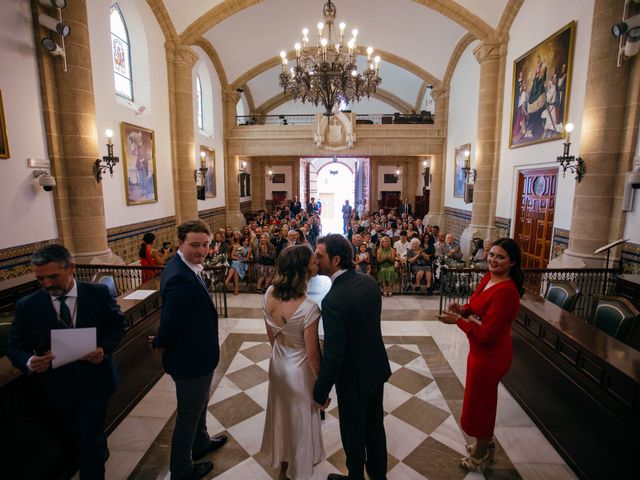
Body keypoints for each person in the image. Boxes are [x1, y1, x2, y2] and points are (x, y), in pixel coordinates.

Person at [7, 244, 125, 479]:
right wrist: (30, 361)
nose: (47, 284)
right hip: (58, 384)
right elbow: (14, 345)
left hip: (96, 379)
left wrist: (104, 349)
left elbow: (117, 326)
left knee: (89, 439)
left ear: (71, 268)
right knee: (80, 436)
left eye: (53, 276)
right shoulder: (27, 305)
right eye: (41, 279)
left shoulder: (97, 294)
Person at [436, 238, 524, 472]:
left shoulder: (506, 292)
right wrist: (463, 310)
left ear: (512, 262)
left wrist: (458, 322)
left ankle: (480, 453)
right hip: (480, 352)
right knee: (478, 400)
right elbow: (476, 307)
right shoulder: (489, 278)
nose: (493, 259)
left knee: (482, 404)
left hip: (492, 355)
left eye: (501, 256)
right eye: (492, 254)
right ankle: (485, 440)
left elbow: (486, 334)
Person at [149, 220, 227, 480]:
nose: (202, 251)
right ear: (181, 242)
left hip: (199, 354)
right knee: (188, 416)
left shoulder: (184, 266)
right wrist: (160, 341)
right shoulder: (180, 276)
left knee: (200, 405)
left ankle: (201, 442)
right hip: (191, 359)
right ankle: (182, 469)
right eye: (195, 245)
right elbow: (170, 320)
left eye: (206, 245)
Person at [313, 234, 391, 480]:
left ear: (335, 260)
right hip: (375, 368)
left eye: (319, 256)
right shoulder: (367, 281)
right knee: (375, 426)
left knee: (352, 430)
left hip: (353, 377)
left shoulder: (333, 300)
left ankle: (355, 476)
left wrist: (320, 390)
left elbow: (335, 354)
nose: (315, 259)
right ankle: (378, 475)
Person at [260, 245, 325, 480]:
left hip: (278, 361)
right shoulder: (309, 308)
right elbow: (313, 354)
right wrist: (321, 385)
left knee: (282, 414)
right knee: (299, 418)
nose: (316, 262)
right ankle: (298, 468)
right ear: (302, 269)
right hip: (299, 369)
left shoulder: (268, 294)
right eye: (312, 261)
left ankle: (284, 463)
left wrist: (280, 355)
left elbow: (272, 336)